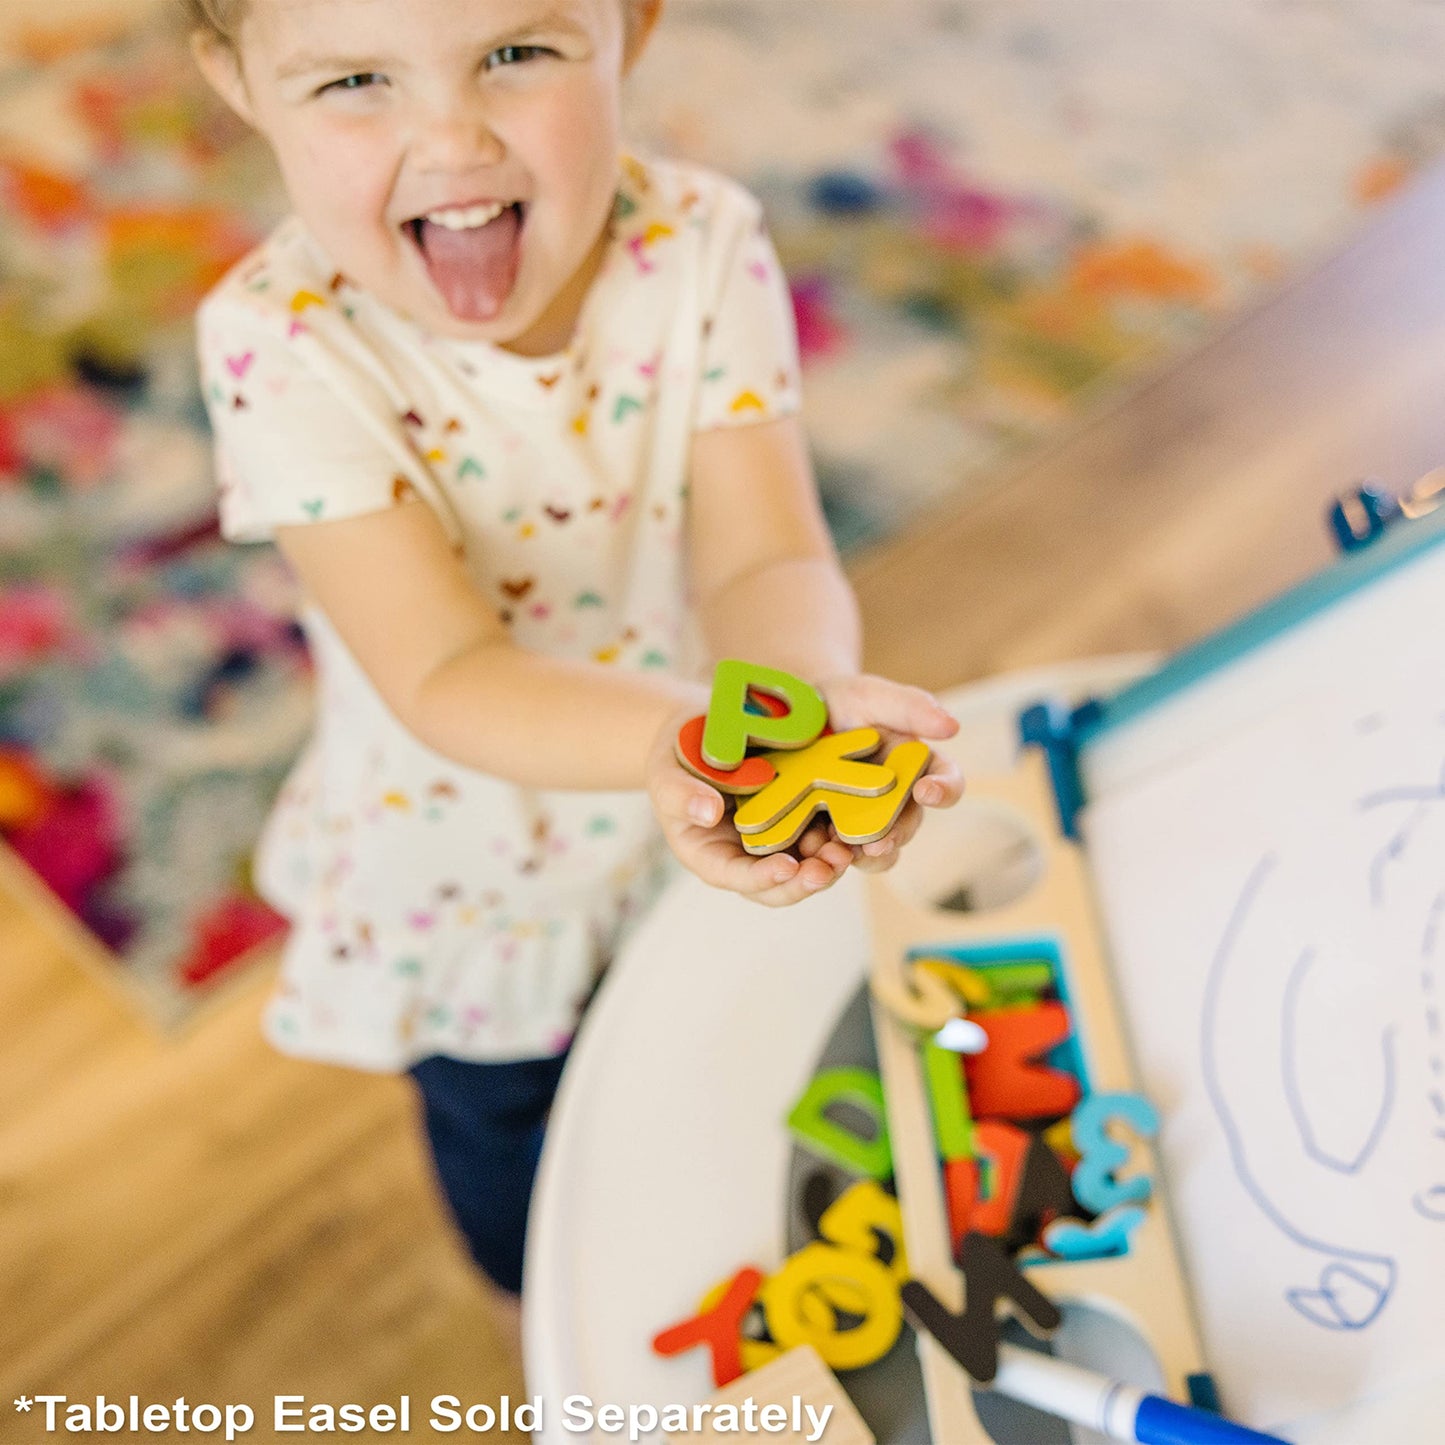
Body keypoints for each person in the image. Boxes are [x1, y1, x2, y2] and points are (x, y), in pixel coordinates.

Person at [184, 0, 963, 1324]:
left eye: (516, 52)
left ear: (632, 27)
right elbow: (444, 675)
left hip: (680, 803)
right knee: (517, 1158)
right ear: (239, 83)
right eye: (356, 79)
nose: (451, 136)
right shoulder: (279, 342)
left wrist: (794, 717)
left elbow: (764, 558)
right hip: (469, 868)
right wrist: (686, 741)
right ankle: (545, 1311)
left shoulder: (702, 243)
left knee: (702, 1059)